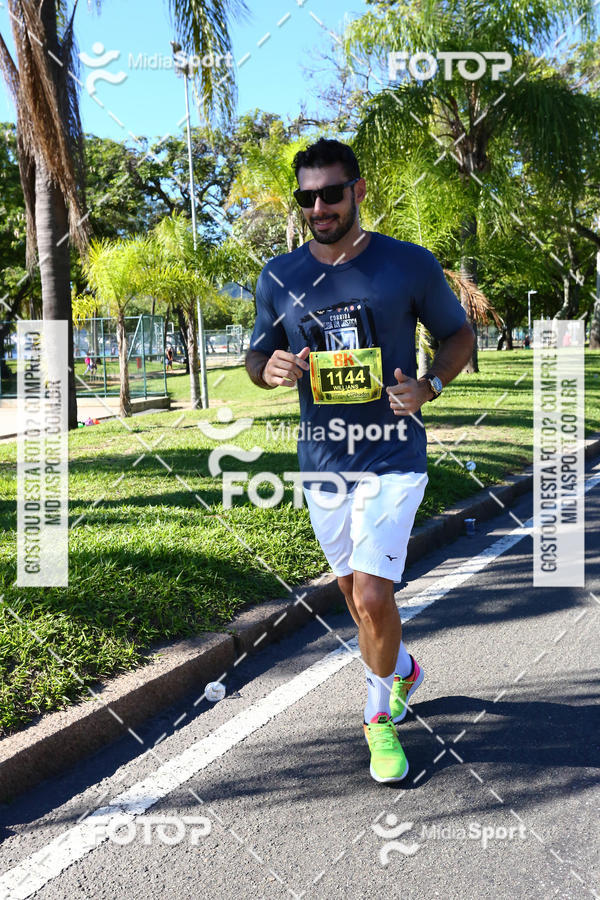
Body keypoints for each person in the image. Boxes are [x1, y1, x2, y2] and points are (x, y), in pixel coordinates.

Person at [245, 138, 474, 784]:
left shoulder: (408, 265)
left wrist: (429, 385)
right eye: (307, 196)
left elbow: (459, 334)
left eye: (331, 193)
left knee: (374, 593)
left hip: (394, 455)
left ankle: (378, 718)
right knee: (353, 592)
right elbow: (257, 355)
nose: (319, 206)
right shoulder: (279, 276)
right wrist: (272, 369)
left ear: (358, 191)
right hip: (323, 460)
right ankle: (401, 670)